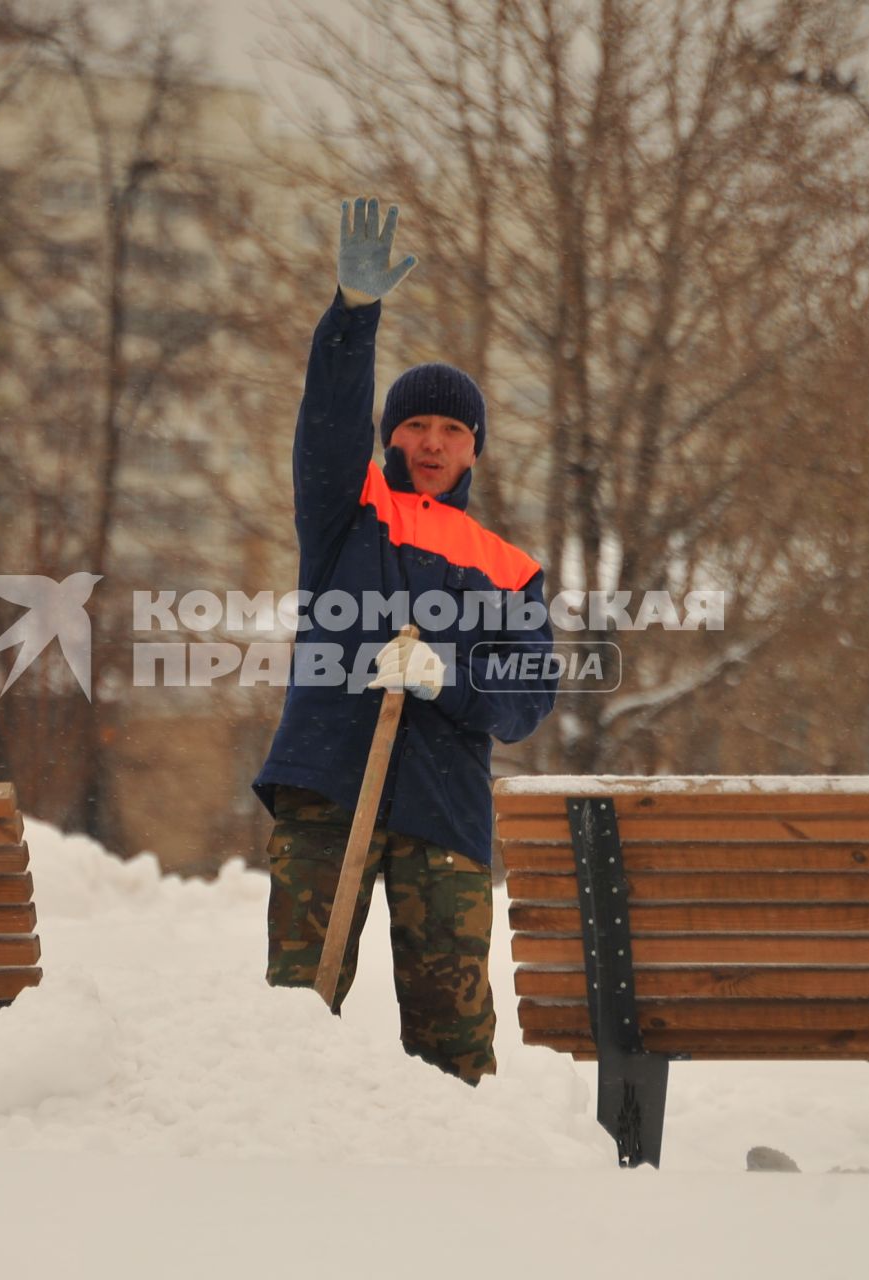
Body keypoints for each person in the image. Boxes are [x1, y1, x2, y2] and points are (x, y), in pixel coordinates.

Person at [252, 197, 559, 1084]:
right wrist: (353, 319)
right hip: (328, 786)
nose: (431, 441)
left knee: (452, 1039)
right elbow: (327, 421)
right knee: (297, 1009)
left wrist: (445, 677)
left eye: (452, 430)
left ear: (474, 451)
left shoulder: (506, 567)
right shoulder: (347, 515)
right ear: (390, 437)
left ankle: (455, 1191)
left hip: (443, 807)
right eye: (416, 425)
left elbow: (526, 697)